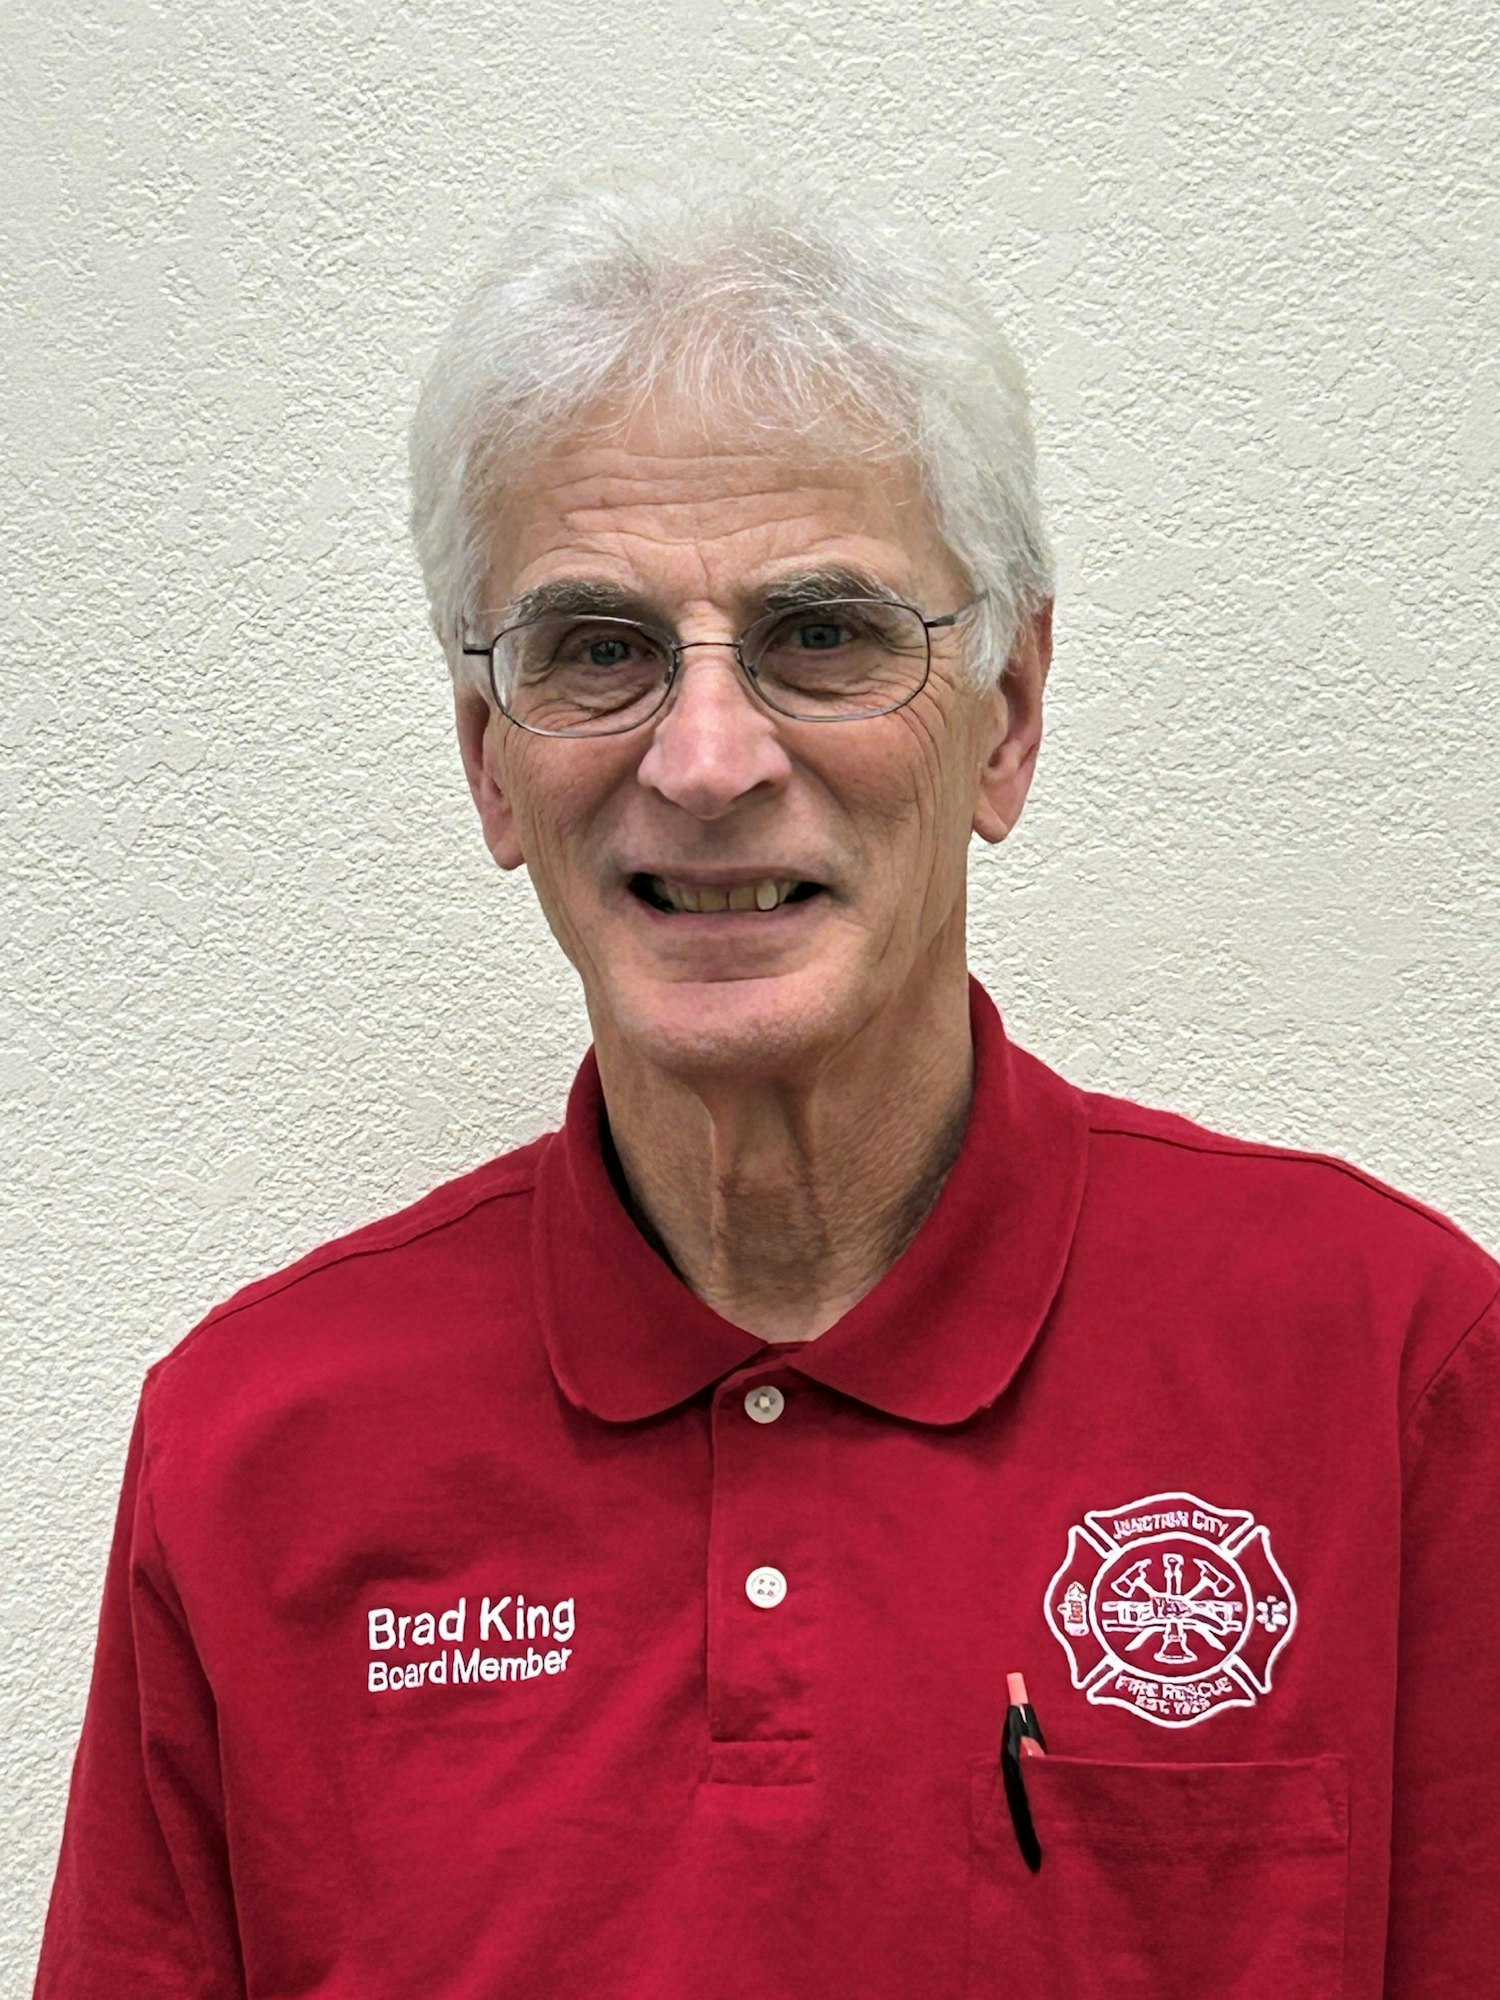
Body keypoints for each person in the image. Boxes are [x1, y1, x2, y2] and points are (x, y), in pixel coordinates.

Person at [32, 175, 1498, 2000]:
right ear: (489, 761)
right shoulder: (256, 1450)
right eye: (598, 651)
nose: (708, 761)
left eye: (823, 635)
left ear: (1009, 714)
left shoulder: (1395, 1372)